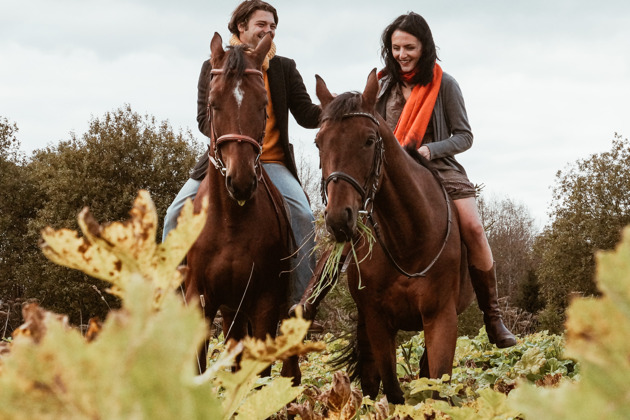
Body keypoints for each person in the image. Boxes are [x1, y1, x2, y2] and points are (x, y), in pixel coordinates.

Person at [162, 0, 321, 306]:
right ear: (241, 27)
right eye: (261, 24)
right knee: (172, 216)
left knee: (303, 216)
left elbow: (304, 114)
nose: (268, 30)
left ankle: (302, 303)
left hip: (271, 162)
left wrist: (335, 105)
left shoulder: (283, 67)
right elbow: (202, 120)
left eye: (273, 26)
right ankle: (170, 299)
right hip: (222, 163)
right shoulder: (213, 65)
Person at [376, 12, 516, 348]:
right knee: (353, 224)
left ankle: (493, 317)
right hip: (394, 175)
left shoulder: (446, 84)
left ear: (424, 47)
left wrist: (430, 150)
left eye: (409, 47)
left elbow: (464, 136)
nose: (402, 54)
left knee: (473, 228)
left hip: (440, 169)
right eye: (396, 48)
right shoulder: (382, 87)